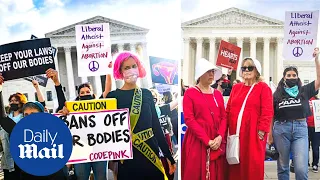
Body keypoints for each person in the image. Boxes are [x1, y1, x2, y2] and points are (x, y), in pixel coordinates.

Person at [105, 51, 176, 180]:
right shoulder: (113, 97)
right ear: (120, 72)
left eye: (134, 66)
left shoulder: (147, 94)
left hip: (151, 156)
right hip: (128, 160)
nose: (131, 70)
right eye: (126, 67)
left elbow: (156, 127)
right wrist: (68, 112)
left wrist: (168, 156)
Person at [0, 71, 66, 180]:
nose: (30, 117)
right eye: (26, 115)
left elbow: (61, 106)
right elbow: (3, 118)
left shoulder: (52, 127)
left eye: (33, 114)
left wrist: (56, 82)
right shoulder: (19, 131)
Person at [268, 48, 320, 180]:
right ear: (284, 78)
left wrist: (316, 60)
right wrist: (269, 134)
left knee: (301, 169)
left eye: (294, 75)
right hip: (281, 129)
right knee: (283, 166)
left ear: (297, 77)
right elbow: (271, 114)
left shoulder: (304, 90)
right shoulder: (277, 94)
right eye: (289, 75)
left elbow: (319, 79)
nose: (291, 77)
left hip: (300, 129)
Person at [226, 57, 273, 180]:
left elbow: (267, 111)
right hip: (235, 134)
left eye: (250, 67)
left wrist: (262, 131)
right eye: (244, 68)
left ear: (256, 71)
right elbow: (228, 110)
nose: (246, 70)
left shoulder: (263, 87)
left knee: (252, 167)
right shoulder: (236, 88)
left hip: (253, 134)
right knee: (235, 166)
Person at [58, 75, 112, 180]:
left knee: (101, 178)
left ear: (93, 93)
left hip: (99, 149)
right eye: (82, 93)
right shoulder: (72, 110)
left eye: (88, 92)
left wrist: (108, 71)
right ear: (78, 96)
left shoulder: (99, 104)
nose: (85, 94)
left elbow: (107, 90)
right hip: (80, 151)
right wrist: (62, 115)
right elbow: (62, 105)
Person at [182, 58, 227, 180]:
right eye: (208, 71)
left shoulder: (217, 94)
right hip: (198, 140)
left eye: (213, 71)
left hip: (216, 139)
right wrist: (207, 140)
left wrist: (220, 137)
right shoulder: (190, 93)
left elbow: (224, 117)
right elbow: (189, 119)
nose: (211, 74)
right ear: (200, 74)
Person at [0, 92, 27, 180]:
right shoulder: (6, 118)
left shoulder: (25, 118)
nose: (13, 102)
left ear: (21, 103)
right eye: (11, 101)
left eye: (16, 100)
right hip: (8, 160)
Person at [307, 95, 320, 173]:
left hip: (316, 127)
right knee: (306, 147)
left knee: (315, 147)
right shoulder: (305, 99)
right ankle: (306, 163)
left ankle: (315, 164)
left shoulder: (318, 101)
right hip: (306, 127)